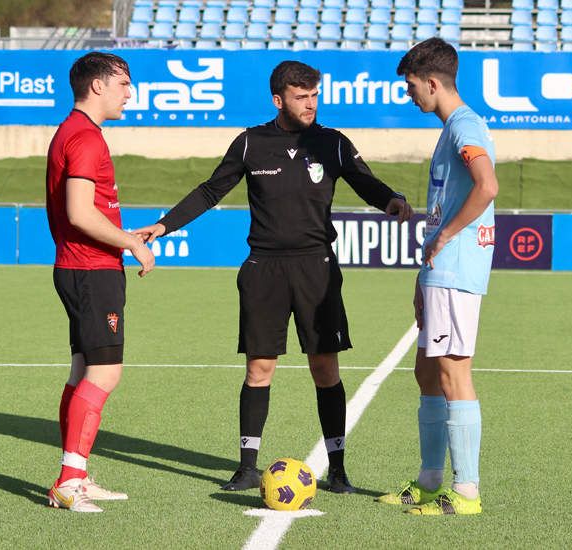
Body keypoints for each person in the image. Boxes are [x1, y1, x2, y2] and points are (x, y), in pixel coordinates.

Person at [134, 61, 413, 494]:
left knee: (325, 368)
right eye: (302, 97)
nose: (311, 104)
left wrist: (391, 200)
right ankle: (247, 467)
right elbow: (211, 190)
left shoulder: (333, 143)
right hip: (263, 268)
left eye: (315, 96)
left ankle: (337, 469)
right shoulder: (250, 143)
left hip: (316, 268)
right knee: (260, 367)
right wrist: (164, 225)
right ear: (278, 99)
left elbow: (365, 182)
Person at [376, 38, 498, 515]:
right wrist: (426, 268)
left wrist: (445, 236)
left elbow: (487, 186)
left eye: (411, 86)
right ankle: (429, 480)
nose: (409, 95)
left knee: (452, 372)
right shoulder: (450, 130)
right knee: (427, 371)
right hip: (440, 270)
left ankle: (466, 492)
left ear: (432, 82)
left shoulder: (465, 126)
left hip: (457, 268)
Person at [45, 52, 155, 513]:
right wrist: (132, 242)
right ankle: (69, 480)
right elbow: (79, 212)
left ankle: (77, 476)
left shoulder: (72, 131)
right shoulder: (86, 138)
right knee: (106, 372)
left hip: (78, 268)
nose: (129, 93)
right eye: (124, 84)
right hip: (91, 270)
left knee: (82, 372)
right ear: (98, 86)